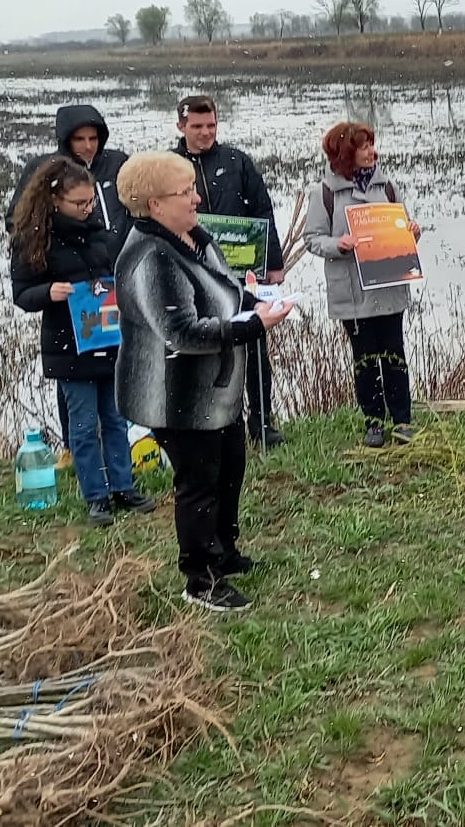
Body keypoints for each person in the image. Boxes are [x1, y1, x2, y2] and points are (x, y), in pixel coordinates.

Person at [113, 150, 291, 613]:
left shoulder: (193, 235)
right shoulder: (150, 257)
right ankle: (200, 578)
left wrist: (255, 299)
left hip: (215, 391)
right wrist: (255, 326)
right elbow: (182, 333)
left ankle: (224, 552)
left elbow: (223, 289)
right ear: (154, 204)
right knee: (199, 482)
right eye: (185, 191)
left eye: (193, 187)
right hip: (173, 395)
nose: (196, 197)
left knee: (230, 467)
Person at [7, 158, 154, 526]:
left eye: (90, 202)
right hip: (69, 348)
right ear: (56, 201)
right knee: (84, 426)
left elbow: (118, 274)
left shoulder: (100, 234)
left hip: (109, 341)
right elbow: (22, 294)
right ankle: (96, 496)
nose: (87, 209)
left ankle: (123, 486)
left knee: (116, 419)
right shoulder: (34, 240)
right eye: (79, 204)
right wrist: (49, 292)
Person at [172, 95, 285, 449]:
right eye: (197, 127)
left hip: (242, 275)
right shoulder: (169, 166)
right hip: (193, 276)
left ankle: (262, 422)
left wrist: (273, 263)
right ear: (181, 126)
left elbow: (263, 210)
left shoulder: (237, 162)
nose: (206, 133)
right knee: (206, 347)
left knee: (254, 346)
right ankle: (212, 421)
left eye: (211, 126)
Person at [302, 121, 422, 448]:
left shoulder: (388, 187)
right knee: (365, 359)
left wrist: (411, 231)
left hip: (389, 285)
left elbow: (403, 228)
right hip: (353, 292)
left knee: (394, 355)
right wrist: (338, 245)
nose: (372, 151)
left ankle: (402, 421)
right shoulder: (324, 193)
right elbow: (312, 239)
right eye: (364, 146)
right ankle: (373, 422)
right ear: (346, 153)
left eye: (372, 144)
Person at [6, 104, 131, 235]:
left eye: (93, 138)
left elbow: (141, 205)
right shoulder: (46, 168)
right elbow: (16, 220)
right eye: (79, 139)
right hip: (73, 252)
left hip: (123, 253)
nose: (88, 146)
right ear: (66, 140)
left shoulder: (117, 163)